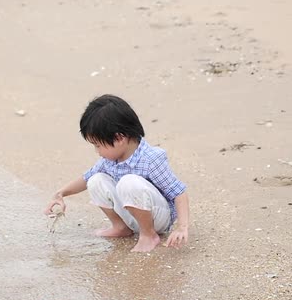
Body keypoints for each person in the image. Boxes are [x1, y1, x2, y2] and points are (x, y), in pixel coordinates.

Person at [43, 94, 190, 252]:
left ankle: (149, 235)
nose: (97, 151)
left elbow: (179, 193)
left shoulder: (151, 158)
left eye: (98, 145)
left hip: (158, 218)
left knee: (129, 182)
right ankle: (121, 227)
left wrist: (182, 227)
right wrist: (60, 193)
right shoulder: (110, 160)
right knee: (96, 180)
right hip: (132, 213)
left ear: (119, 138)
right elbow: (86, 178)